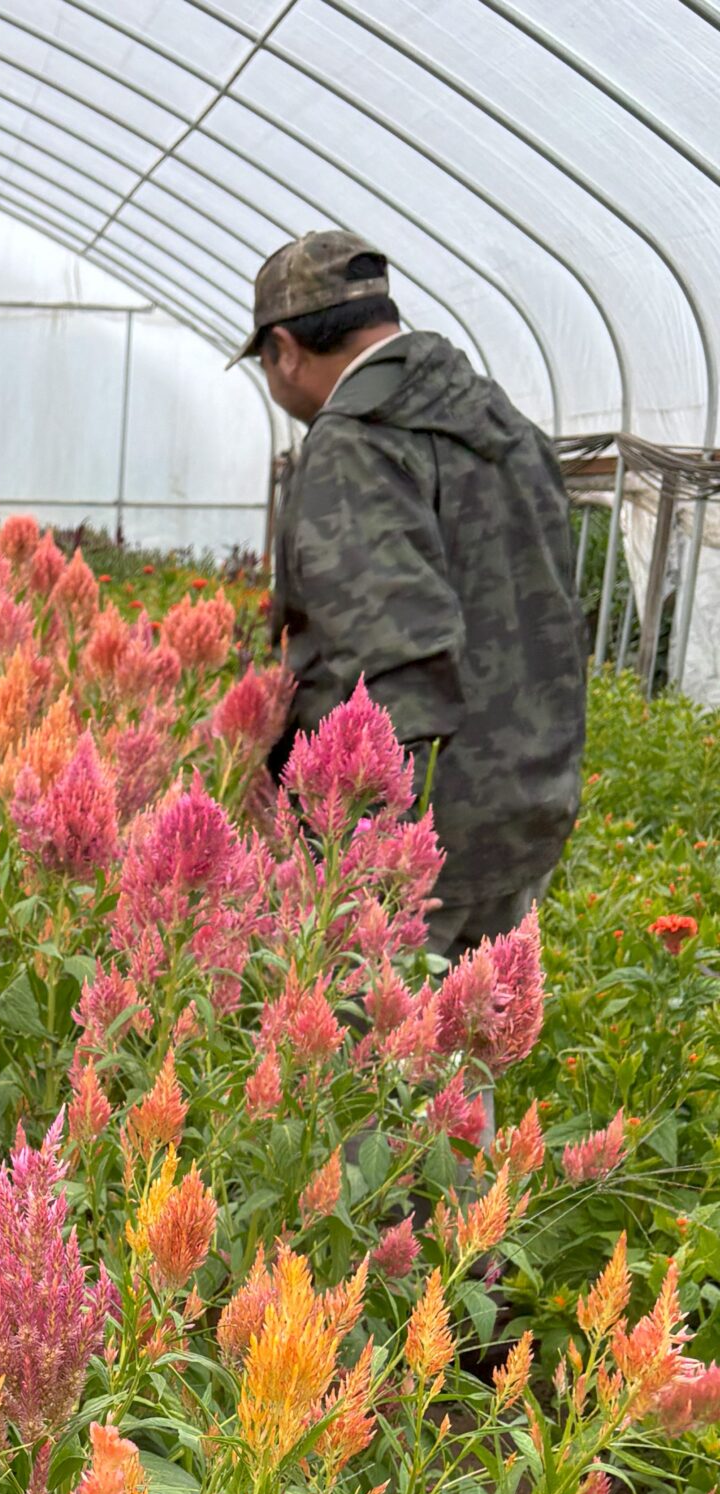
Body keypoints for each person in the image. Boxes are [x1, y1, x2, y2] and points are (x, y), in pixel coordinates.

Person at [239, 230, 586, 961]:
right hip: (522, 805)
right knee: (468, 1051)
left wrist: (371, 849)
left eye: (266, 363)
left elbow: (390, 666)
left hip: (417, 839)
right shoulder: (501, 424)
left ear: (284, 349)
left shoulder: (356, 441)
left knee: (380, 1062)